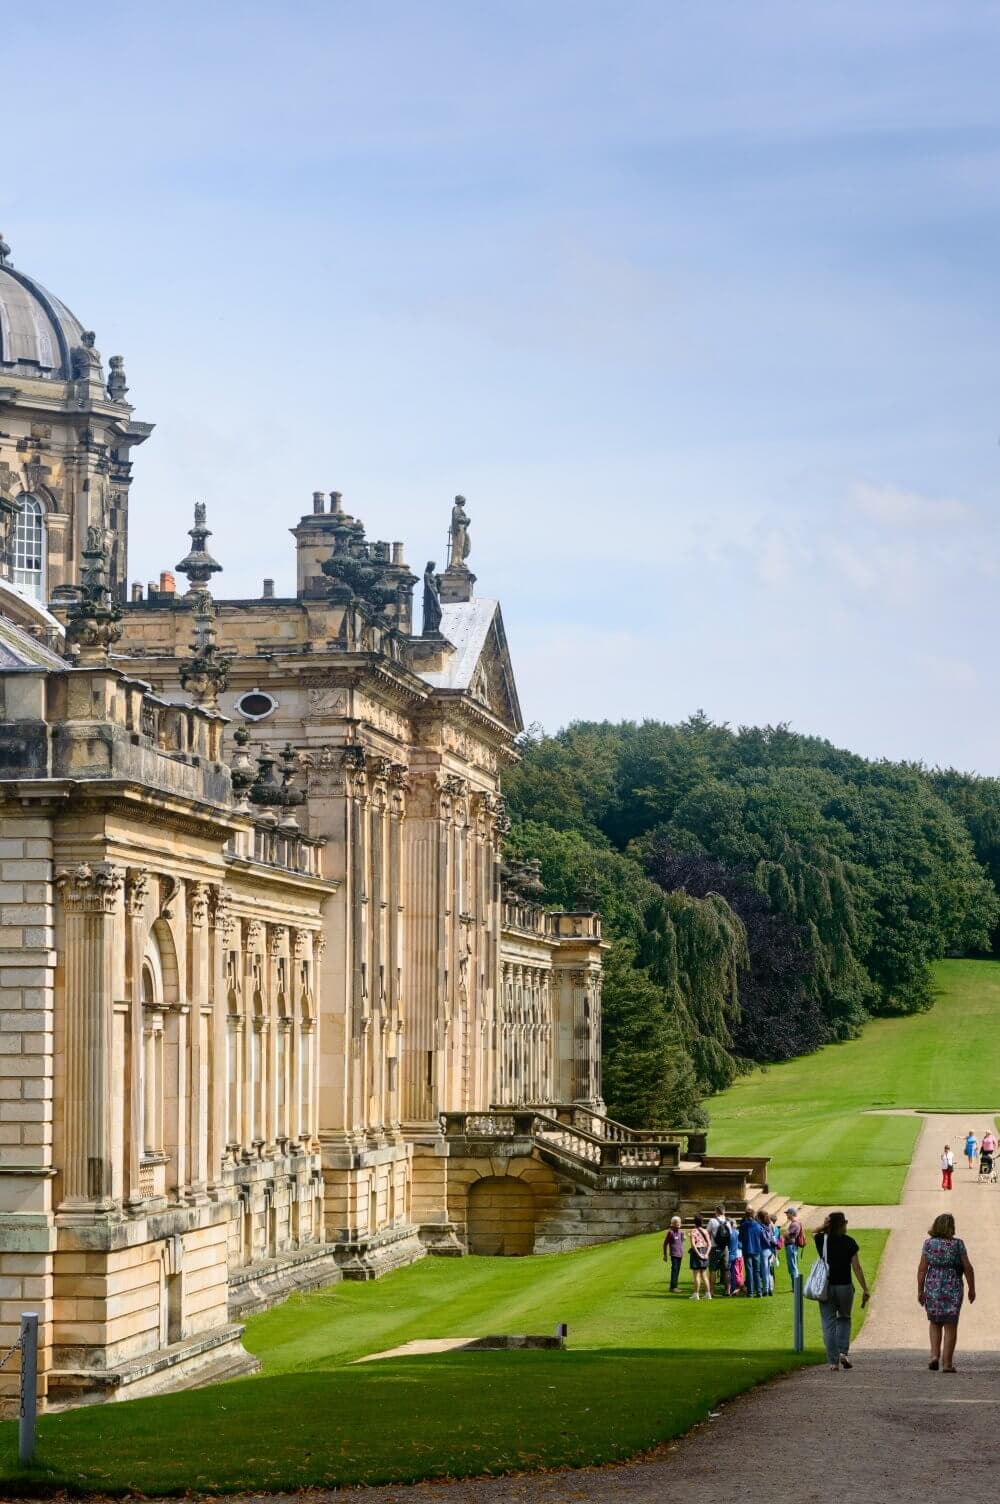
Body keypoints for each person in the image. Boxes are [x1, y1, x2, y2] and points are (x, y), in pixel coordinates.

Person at [918, 1212, 975, 1372]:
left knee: (935, 1321)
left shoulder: (928, 1244)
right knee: (951, 1324)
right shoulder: (958, 1244)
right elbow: (968, 1268)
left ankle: (934, 1355)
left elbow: (922, 1269)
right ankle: (947, 1364)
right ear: (951, 1227)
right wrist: (972, 1288)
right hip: (953, 1285)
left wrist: (920, 1290)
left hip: (933, 1284)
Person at [814, 1211, 870, 1371]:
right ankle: (843, 1352)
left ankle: (833, 1361)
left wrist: (824, 1226)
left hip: (826, 1286)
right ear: (842, 1224)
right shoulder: (849, 1242)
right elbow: (856, 1267)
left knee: (828, 1323)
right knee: (844, 1318)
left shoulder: (822, 1240)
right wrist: (865, 1288)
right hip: (845, 1286)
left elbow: (813, 1232)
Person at [739, 1208, 766, 1297]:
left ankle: (750, 1292)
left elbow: (740, 1238)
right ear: (753, 1215)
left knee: (749, 1272)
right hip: (757, 1250)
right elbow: (762, 1237)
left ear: (746, 1216)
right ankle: (759, 1292)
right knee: (757, 1271)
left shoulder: (743, 1226)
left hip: (747, 1250)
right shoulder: (758, 1226)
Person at [689, 1215, 712, 1300]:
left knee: (696, 1275)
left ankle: (696, 1294)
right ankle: (708, 1294)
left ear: (694, 1222)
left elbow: (693, 1245)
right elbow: (709, 1243)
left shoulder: (693, 1231)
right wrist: (706, 1254)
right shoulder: (705, 1231)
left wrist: (698, 1254)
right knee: (704, 1275)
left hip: (697, 1252)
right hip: (705, 1250)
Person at [709, 1207, 731, 1295]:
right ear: (724, 1212)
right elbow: (730, 1235)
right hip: (725, 1248)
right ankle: (727, 1290)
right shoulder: (728, 1222)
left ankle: (712, 1291)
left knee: (713, 1269)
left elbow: (708, 1234)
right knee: (726, 1269)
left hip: (715, 1247)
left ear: (716, 1212)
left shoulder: (712, 1221)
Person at [785, 1206, 806, 1287]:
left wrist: (785, 1234)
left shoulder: (794, 1224)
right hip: (792, 1246)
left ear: (791, 1214)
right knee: (793, 1266)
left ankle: (796, 1286)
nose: (787, 1215)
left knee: (793, 1267)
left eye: (788, 1213)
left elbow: (787, 1235)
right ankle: (795, 1286)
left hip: (791, 1247)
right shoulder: (795, 1223)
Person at [663, 1216, 684, 1293]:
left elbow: (680, 1243)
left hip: (680, 1254)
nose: (679, 1224)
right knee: (674, 1270)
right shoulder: (670, 1232)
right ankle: (673, 1287)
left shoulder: (681, 1232)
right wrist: (665, 1255)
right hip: (674, 1254)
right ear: (673, 1224)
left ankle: (675, 1286)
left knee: (677, 1270)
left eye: (679, 1222)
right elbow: (665, 1244)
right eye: (677, 1223)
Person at [758, 1210, 776, 1295]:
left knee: (765, 1270)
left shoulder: (760, 1227)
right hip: (770, 1250)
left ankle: (766, 1290)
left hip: (764, 1250)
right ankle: (770, 1288)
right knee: (768, 1270)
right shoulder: (769, 1225)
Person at [728, 1218, 743, 1294]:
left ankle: (738, 1287)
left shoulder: (732, 1233)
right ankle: (739, 1286)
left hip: (736, 1255)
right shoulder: (738, 1232)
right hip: (740, 1255)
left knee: (736, 1272)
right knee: (739, 1272)